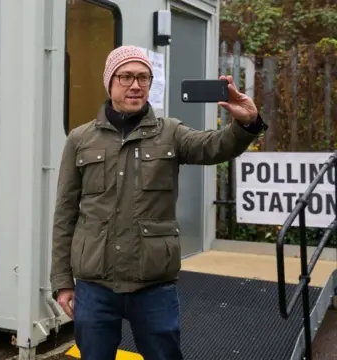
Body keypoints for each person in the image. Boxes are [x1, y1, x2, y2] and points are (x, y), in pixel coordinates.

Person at [49, 45, 268, 360]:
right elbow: (65, 214)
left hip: (153, 285)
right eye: (125, 77)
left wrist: (246, 124)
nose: (135, 85)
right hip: (95, 285)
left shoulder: (171, 133)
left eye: (143, 77)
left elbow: (214, 147)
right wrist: (62, 281)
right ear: (109, 82)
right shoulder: (80, 139)